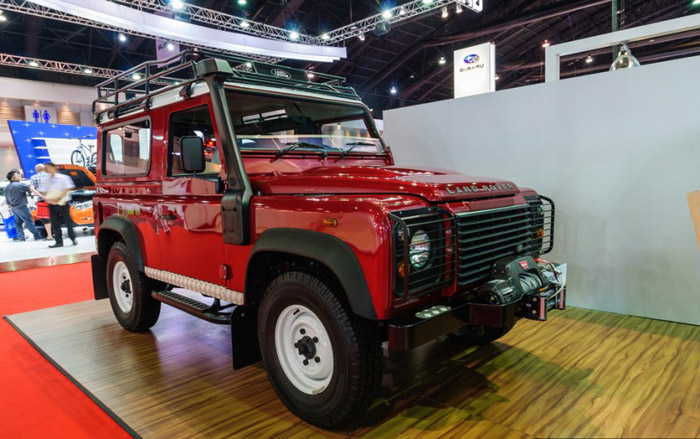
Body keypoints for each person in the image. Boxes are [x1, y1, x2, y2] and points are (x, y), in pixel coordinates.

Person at [44, 162, 77, 248]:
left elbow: (68, 188)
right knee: (55, 223)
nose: (46, 169)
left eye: (47, 167)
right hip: (52, 204)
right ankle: (58, 242)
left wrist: (59, 198)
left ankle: (73, 238)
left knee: (68, 222)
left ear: (53, 167)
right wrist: (49, 198)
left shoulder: (63, 177)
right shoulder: (46, 179)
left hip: (63, 203)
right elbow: (44, 191)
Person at [4, 170, 43, 241]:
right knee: (28, 221)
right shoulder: (20, 185)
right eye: (17, 175)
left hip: (13, 207)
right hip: (22, 206)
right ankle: (37, 235)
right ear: (13, 177)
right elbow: (31, 188)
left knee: (18, 223)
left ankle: (21, 237)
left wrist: (9, 207)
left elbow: (7, 199)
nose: (19, 177)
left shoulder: (7, 187)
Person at [29, 163, 52, 240]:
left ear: (36, 170)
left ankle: (49, 235)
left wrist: (41, 196)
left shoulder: (34, 177)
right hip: (53, 199)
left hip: (42, 201)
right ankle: (58, 235)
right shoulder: (51, 175)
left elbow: (32, 189)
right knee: (55, 217)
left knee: (46, 218)